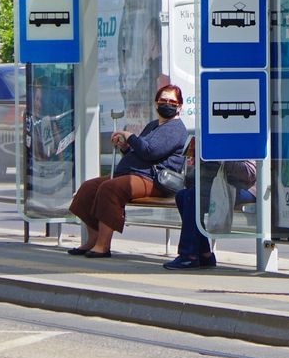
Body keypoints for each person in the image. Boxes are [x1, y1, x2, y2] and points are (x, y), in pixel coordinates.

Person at [66, 85, 188, 258]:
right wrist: (125, 147)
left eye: (172, 101)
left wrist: (129, 136)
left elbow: (150, 151)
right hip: (134, 174)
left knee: (110, 188)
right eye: (163, 100)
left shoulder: (175, 128)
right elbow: (140, 151)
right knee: (89, 188)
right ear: (156, 103)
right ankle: (92, 239)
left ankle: (103, 245)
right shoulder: (153, 125)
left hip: (154, 178)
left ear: (179, 106)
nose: (167, 104)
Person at [163, 159, 257, 270]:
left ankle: (189, 255)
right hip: (217, 183)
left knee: (193, 196)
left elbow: (250, 173)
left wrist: (220, 158)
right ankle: (204, 254)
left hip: (246, 189)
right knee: (182, 196)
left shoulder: (243, 142)